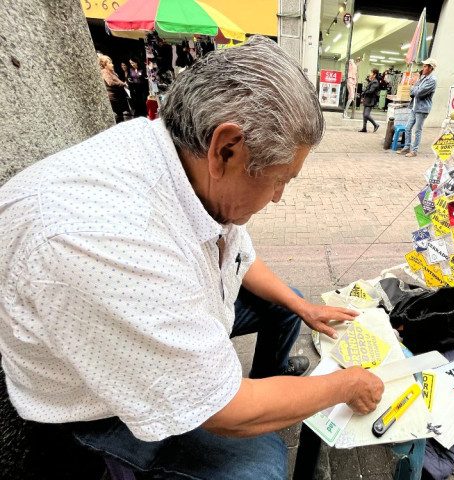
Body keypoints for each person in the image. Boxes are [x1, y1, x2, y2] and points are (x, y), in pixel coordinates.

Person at [0, 35, 383, 479]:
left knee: (285, 301)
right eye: (281, 181)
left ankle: (268, 386)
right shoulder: (109, 239)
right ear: (227, 149)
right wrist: (343, 384)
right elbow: (225, 412)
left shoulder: (184, 159)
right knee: (261, 462)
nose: (278, 199)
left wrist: (303, 306)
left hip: (166, 315)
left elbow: (241, 258)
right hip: (98, 407)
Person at [397, 58, 437, 157]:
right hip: (415, 107)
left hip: (422, 108)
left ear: (430, 68)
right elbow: (412, 91)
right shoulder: (423, 77)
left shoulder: (432, 80)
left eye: (425, 66)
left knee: (418, 129)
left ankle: (414, 150)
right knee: (408, 127)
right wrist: (415, 88)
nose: (422, 68)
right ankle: (406, 147)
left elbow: (418, 92)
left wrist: (415, 88)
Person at [98, 54, 129, 123]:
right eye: (109, 63)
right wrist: (123, 84)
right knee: (118, 117)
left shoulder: (110, 72)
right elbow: (110, 83)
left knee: (120, 115)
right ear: (104, 65)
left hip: (116, 97)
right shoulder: (105, 72)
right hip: (113, 98)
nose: (112, 65)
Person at [359, 68, 380, 133]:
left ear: (374, 75)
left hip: (370, 100)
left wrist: (364, 92)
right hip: (367, 99)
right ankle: (364, 128)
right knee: (364, 114)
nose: (370, 74)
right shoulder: (372, 81)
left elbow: (371, 91)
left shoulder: (375, 82)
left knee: (366, 115)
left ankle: (375, 124)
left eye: (371, 73)